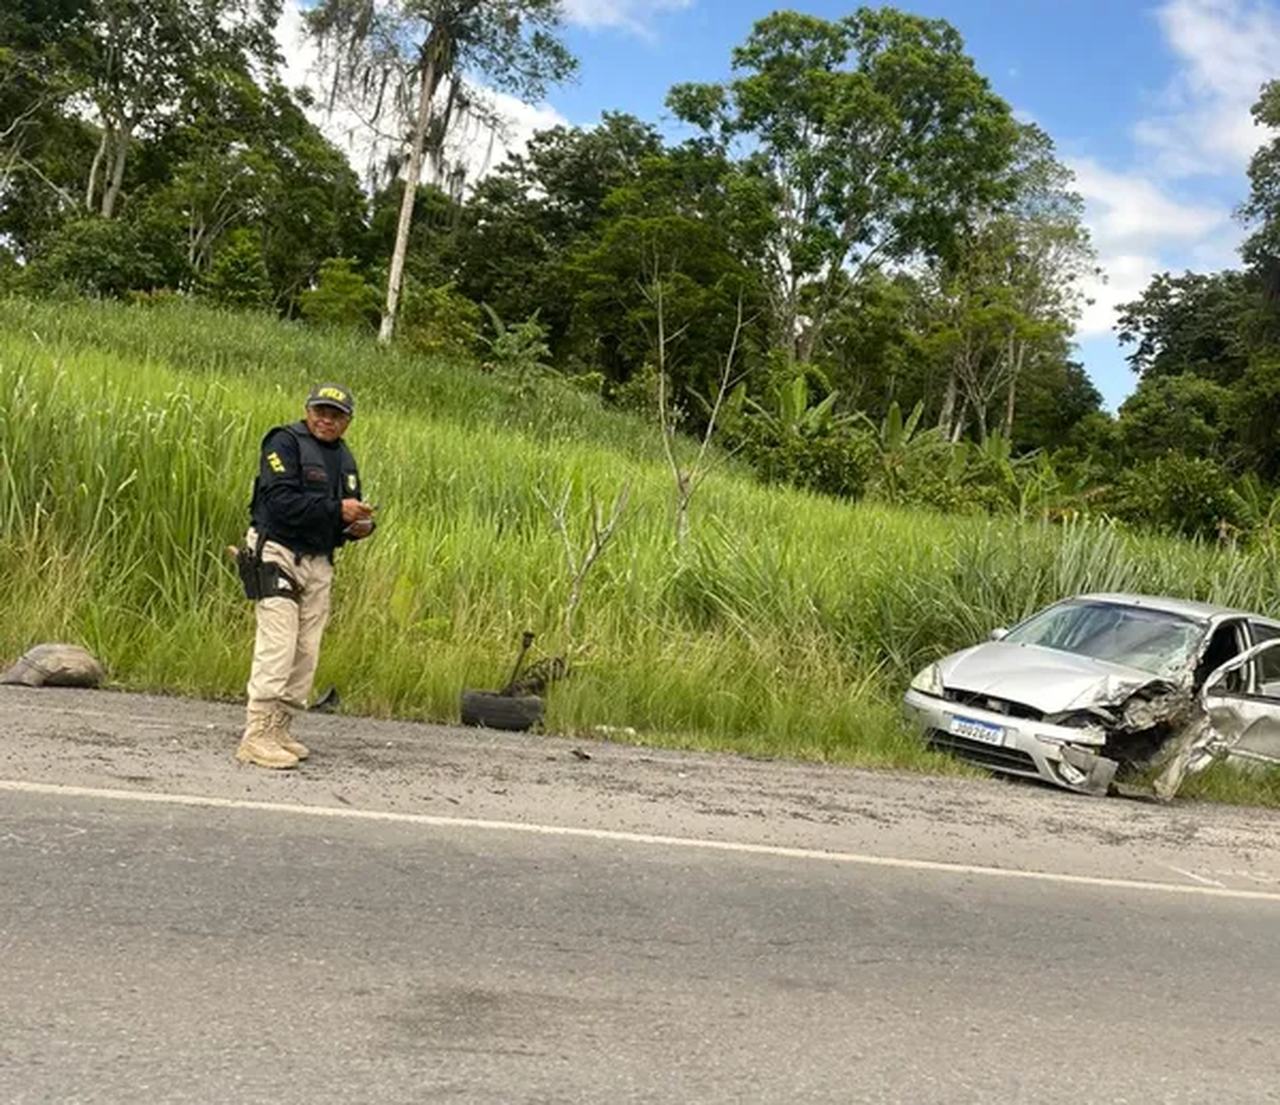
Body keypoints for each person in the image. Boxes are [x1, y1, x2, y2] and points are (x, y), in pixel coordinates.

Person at [235, 384, 374, 769]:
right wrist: (337, 512)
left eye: (336, 415)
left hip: (318, 560)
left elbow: (342, 513)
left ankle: (280, 726)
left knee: (306, 649)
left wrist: (358, 526)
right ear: (307, 410)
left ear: (348, 421)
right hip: (278, 550)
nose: (326, 420)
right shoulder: (283, 443)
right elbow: (280, 503)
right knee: (278, 642)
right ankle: (256, 733)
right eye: (320, 411)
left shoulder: (344, 459)